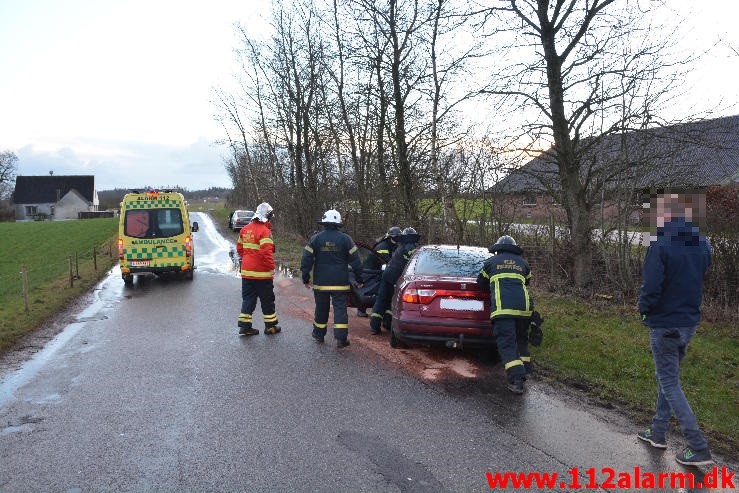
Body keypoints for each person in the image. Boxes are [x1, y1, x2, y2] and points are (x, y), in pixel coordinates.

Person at [636, 192, 713, 466]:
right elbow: (703, 269)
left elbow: (651, 285)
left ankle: (698, 446)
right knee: (668, 377)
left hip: (665, 322)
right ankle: (657, 432)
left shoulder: (659, 242)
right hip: (688, 321)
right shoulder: (701, 241)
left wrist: (644, 309)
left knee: (669, 381)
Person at [476, 235, 533, 394]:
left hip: (503, 309)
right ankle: (525, 370)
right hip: (524, 309)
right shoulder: (523, 263)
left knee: (507, 344)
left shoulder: (491, 263)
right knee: (521, 340)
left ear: (498, 249)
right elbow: (527, 281)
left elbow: (481, 283)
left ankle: (516, 380)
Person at [301, 209, 364, 348]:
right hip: (340, 283)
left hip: (321, 282)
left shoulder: (315, 238)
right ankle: (341, 339)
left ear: (324, 222)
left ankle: (318, 334)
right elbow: (356, 262)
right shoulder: (346, 239)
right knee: (340, 309)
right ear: (338, 223)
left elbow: (306, 259)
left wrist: (305, 277)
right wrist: (360, 279)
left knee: (321, 308)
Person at [236, 202, 281, 336]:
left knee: (248, 300)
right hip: (262, 275)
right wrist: (271, 268)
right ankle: (270, 327)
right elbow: (266, 253)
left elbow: (239, 249)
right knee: (267, 301)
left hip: (247, 274)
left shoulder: (244, 230)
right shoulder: (265, 231)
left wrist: (249, 259)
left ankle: (245, 327)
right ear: (268, 216)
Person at [369, 227, 420, 335]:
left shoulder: (401, 246)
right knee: (393, 299)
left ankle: (375, 326)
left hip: (387, 274)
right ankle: (387, 323)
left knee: (382, 298)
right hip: (395, 276)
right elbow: (417, 262)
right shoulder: (410, 246)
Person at [357, 226, 402, 317]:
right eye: (397, 236)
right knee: (370, 290)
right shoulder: (383, 246)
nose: (398, 238)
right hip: (370, 272)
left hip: (377, 271)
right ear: (391, 237)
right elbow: (387, 261)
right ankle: (363, 308)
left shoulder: (393, 245)